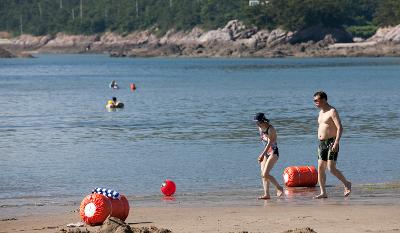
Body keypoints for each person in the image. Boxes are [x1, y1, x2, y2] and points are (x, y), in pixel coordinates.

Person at [313, 91, 351, 199]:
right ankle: (323, 192)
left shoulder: (332, 111)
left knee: (331, 168)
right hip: (321, 143)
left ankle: (347, 183)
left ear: (324, 100)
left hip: (331, 142)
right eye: (314, 101)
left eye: (317, 100)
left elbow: (340, 127)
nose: (315, 102)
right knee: (320, 168)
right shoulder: (321, 112)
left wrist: (336, 142)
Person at [254, 112, 284, 199]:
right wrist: (263, 154)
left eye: (258, 122)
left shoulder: (271, 129)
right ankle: (266, 194)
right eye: (256, 122)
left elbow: (269, 143)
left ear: (263, 120)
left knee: (265, 174)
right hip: (266, 153)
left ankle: (279, 188)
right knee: (263, 175)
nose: (257, 124)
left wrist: (262, 154)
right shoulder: (260, 128)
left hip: (273, 153)